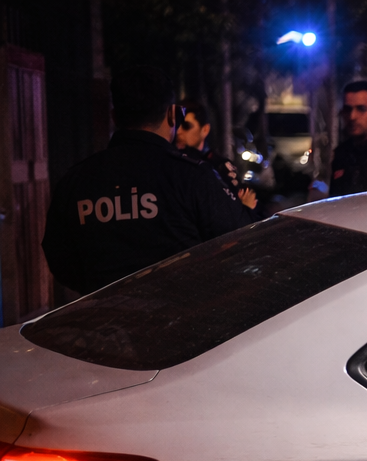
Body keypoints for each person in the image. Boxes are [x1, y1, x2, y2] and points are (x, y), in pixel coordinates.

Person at [42, 65, 258, 296]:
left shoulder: (76, 180)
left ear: (115, 116)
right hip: (180, 318)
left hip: (102, 321)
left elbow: (59, 258)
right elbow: (242, 240)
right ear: (172, 115)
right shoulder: (192, 176)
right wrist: (244, 210)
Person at [174, 99, 248, 202]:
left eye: (187, 126)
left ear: (205, 129)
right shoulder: (170, 162)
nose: (178, 132)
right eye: (176, 125)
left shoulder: (219, 166)